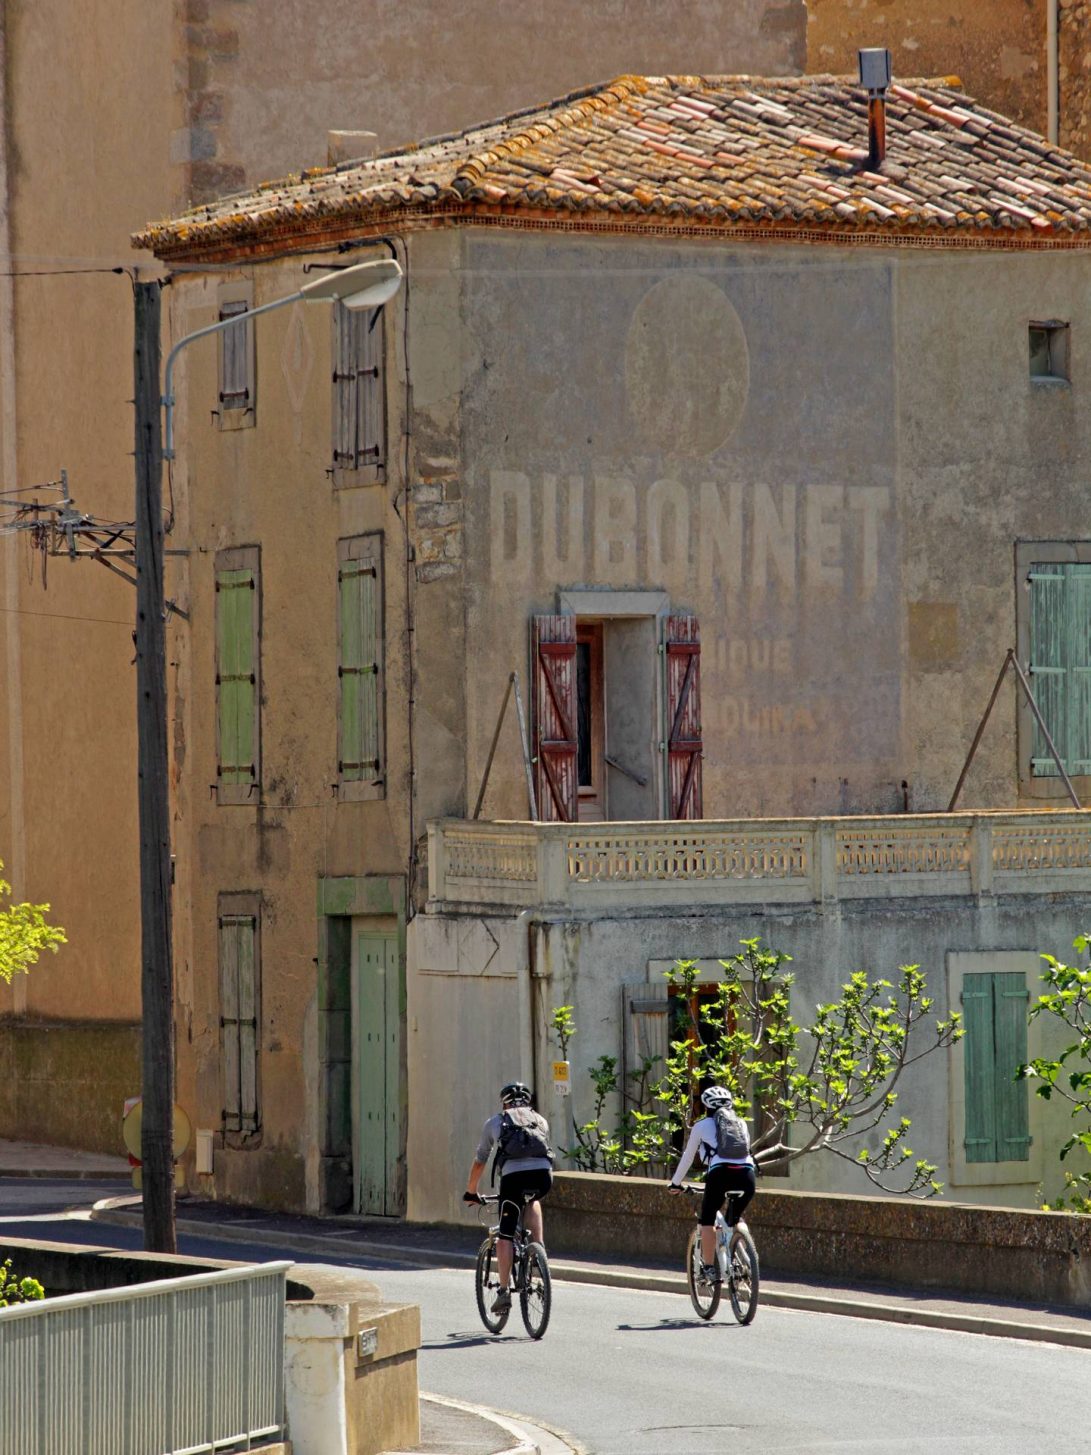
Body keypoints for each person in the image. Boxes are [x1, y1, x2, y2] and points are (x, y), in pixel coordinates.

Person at [464, 1080, 554, 1314]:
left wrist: (471, 1192)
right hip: (544, 1177)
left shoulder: (495, 1122)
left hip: (514, 1179)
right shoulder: (540, 1120)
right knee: (533, 1199)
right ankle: (538, 1250)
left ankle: (504, 1292)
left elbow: (480, 1161)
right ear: (528, 1101)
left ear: (504, 1102)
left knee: (505, 1234)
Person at [667, 1085, 756, 1282]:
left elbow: (688, 1157)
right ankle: (748, 1256)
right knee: (735, 1218)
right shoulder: (741, 1123)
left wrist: (675, 1183)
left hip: (720, 1175)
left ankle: (708, 1269)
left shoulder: (701, 1126)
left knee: (707, 1220)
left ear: (706, 1106)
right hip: (747, 1176)